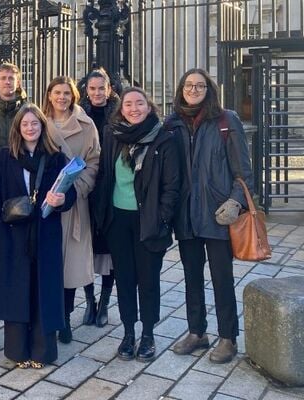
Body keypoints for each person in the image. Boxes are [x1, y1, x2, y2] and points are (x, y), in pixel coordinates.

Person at [166, 68, 253, 364]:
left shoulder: (226, 121)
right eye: (189, 85)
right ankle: (197, 332)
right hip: (187, 214)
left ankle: (228, 337)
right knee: (191, 276)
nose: (193, 89)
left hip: (218, 214)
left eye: (199, 85)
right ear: (181, 89)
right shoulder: (173, 122)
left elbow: (243, 173)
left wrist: (234, 202)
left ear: (209, 89)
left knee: (221, 278)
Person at [0, 103, 76, 368]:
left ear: (42, 127)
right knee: (17, 290)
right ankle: (16, 351)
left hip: (45, 234)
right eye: (25, 124)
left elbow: (71, 193)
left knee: (43, 290)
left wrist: (61, 200)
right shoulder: (5, 157)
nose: (30, 128)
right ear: (18, 128)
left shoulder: (56, 158)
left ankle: (42, 351)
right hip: (14, 234)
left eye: (35, 123)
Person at [94, 87, 180, 362]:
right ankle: (128, 332)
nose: (133, 109)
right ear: (121, 109)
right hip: (118, 220)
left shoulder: (163, 138)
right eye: (128, 104)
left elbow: (172, 186)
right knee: (125, 279)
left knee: (148, 280)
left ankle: (148, 334)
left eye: (139, 103)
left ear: (149, 106)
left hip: (148, 221)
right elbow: (105, 174)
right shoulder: (113, 135)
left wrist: (163, 218)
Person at [42, 76, 100, 343]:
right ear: (49, 95)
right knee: (49, 262)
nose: (61, 97)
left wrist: (78, 190)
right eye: (57, 92)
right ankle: (47, 316)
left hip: (75, 203)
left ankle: (65, 318)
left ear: (73, 96)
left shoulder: (87, 126)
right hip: (46, 201)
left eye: (66, 93)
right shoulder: (39, 122)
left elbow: (93, 162)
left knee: (70, 265)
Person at [79, 68, 120, 327]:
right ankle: (89, 300)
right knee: (84, 248)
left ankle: (104, 301)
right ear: (86, 90)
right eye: (92, 88)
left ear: (109, 89)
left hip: (111, 188)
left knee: (108, 250)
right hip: (86, 189)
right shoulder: (79, 113)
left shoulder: (118, 114)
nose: (97, 93)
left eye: (101, 88)